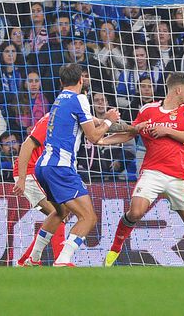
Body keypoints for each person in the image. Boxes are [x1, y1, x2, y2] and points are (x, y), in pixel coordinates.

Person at [102, 72, 184, 267]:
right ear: (178, 89)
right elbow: (130, 133)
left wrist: (167, 130)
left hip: (178, 176)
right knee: (135, 212)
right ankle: (113, 252)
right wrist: (103, 141)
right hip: (152, 172)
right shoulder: (148, 109)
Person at [28, 63, 119, 266]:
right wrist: (109, 121)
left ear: (61, 82)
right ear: (82, 81)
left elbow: (90, 123)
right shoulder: (80, 99)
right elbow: (94, 137)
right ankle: (63, 260)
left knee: (60, 212)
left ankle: (33, 259)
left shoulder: (59, 99)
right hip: (60, 167)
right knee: (88, 217)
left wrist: (106, 122)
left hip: (43, 166)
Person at [12, 114, 66, 265]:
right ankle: (60, 260)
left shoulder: (66, 116)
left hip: (41, 172)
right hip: (29, 173)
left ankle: (26, 261)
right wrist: (22, 179)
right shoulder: (52, 118)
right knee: (58, 214)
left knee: (58, 216)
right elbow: (27, 145)